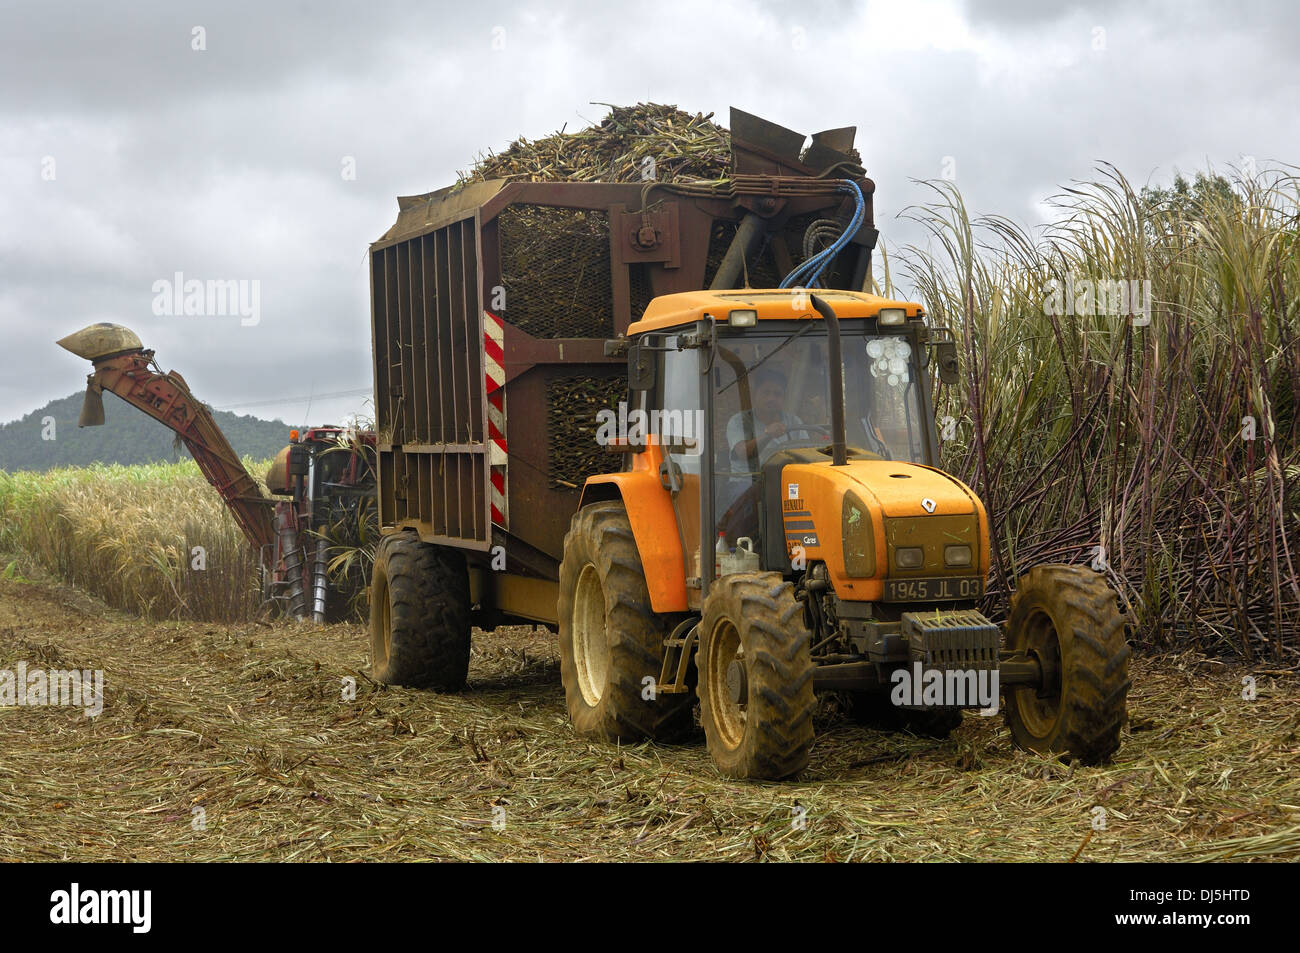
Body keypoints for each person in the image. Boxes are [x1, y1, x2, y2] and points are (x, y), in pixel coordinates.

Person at [725, 367, 810, 468]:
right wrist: (768, 435)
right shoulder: (738, 421)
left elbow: (807, 453)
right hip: (749, 477)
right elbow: (743, 453)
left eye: (777, 394)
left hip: (785, 476)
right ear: (755, 394)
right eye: (766, 392)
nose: (771, 398)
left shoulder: (794, 421)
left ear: (784, 398)